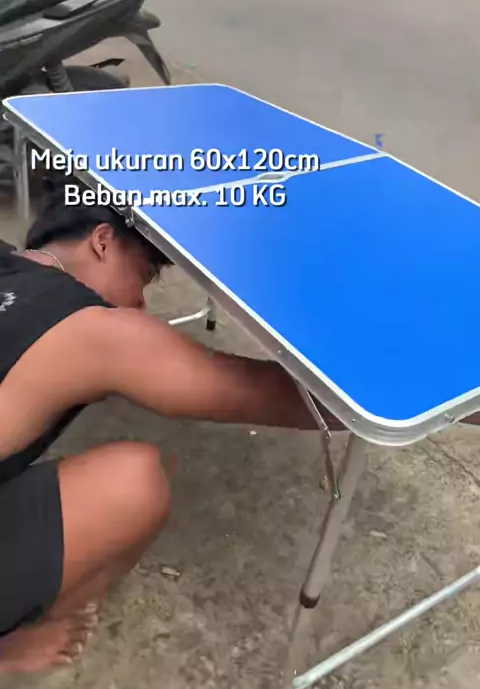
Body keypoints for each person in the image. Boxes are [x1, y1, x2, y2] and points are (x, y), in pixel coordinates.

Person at [1, 188, 478, 674]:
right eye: (142, 278)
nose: (140, 304)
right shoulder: (100, 332)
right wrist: (453, 399)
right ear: (102, 240)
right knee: (134, 482)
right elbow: (279, 395)